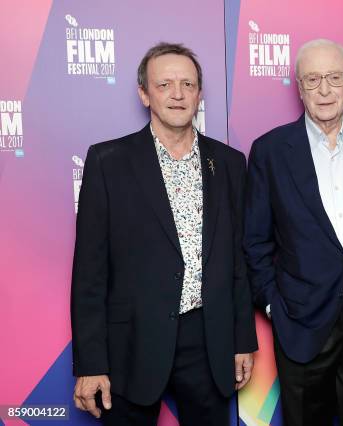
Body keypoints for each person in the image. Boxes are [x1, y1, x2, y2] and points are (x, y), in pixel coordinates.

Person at [70, 42, 257, 425]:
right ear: (144, 93)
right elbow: (89, 273)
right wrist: (90, 363)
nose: (177, 94)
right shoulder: (108, 162)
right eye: (165, 84)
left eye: (187, 84)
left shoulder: (229, 163)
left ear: (199, 94)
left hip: (208, 339)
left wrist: (242, 340)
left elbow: (236, 261)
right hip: (132, 344)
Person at [244, 39, 343, 426]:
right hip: (301, 324)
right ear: (299, 88)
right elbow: (255, 242)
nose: (325, 89)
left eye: (334, 78)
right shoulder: (269, 150)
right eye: (313, 79)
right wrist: (273, 307)